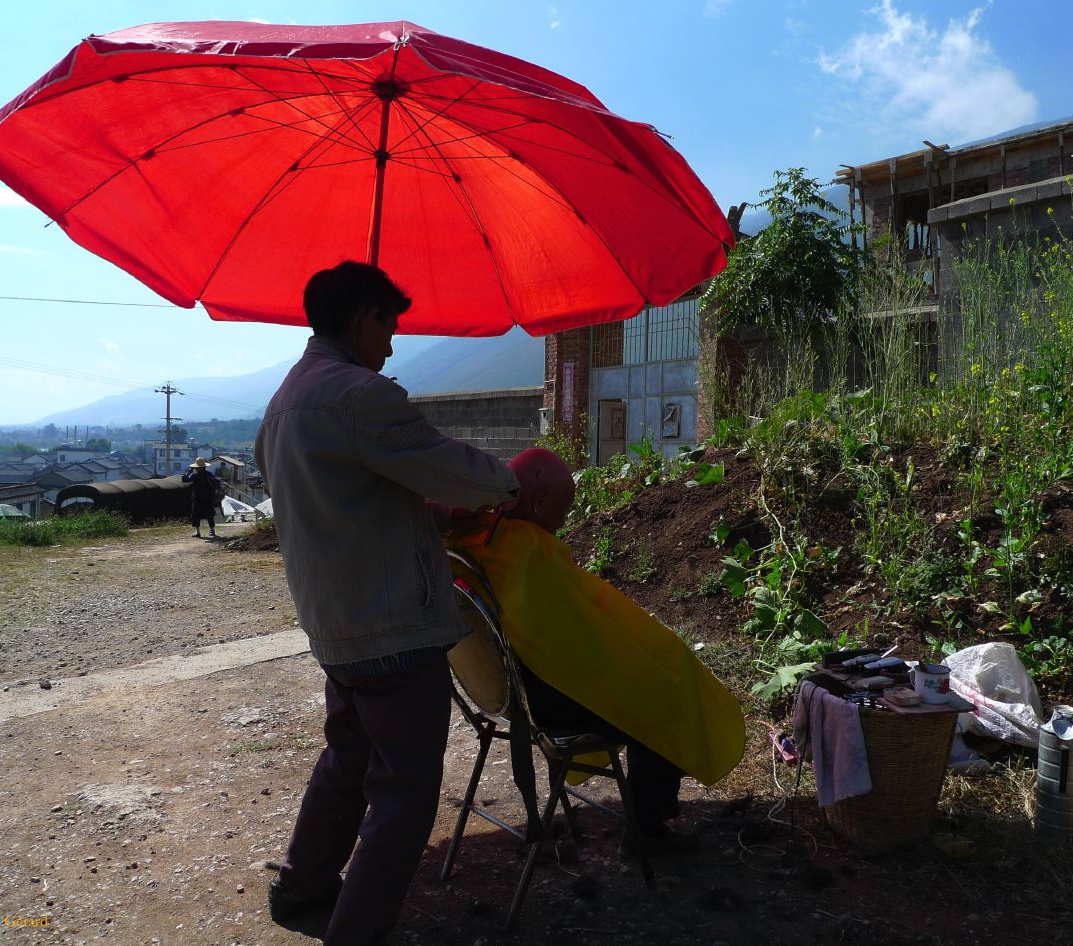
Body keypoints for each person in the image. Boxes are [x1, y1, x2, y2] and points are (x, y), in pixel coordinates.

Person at [254, 261, 520, 946]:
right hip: (390, 628)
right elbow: (444, 463)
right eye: (391, 325)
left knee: (347, 759)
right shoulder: (357, 395)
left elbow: (345, 500)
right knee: (403, 791)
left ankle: (304, 884)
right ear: (366, 317)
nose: (394, 343)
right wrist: (509, 485)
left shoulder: (287, 399)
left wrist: (421, 515)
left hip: (336, 622)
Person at [447, 448, 746, 853]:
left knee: (656, 678)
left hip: (506, 698)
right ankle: (649, 834)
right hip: (546, 705)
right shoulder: (531, 556)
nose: (564, 521)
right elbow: (586, 648)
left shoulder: (474, 540)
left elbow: (571, 638)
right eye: (563, 509)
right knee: (667, 695)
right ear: (538, 501)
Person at [181, 457, 220, 538]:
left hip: (204, 498)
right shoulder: (198, 475)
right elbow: (185, 480)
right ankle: (200, 532)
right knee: (199, 515)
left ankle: (209, 531)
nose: (197, 469)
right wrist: (190, 471)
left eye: (198, 468)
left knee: (206, 515)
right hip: (200, 498)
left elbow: (185, 479)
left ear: (202, 467)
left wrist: (190, 471)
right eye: (196, 468)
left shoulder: (201, 475)